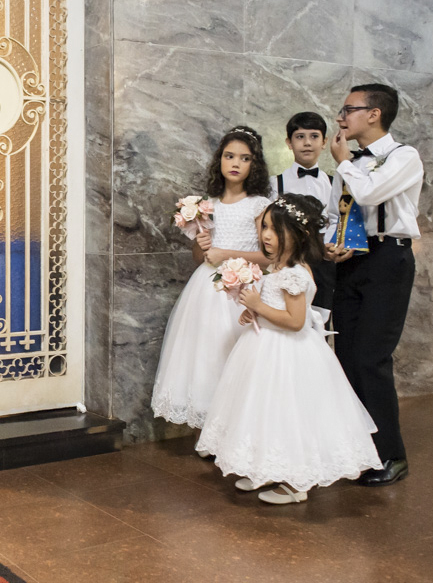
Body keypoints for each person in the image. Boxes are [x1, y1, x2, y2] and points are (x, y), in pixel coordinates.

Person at [198, 195, 381, 504]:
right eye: (265, 227)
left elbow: (295, 321)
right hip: (264, 348)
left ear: (298, 235)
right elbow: (275, 308)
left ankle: (297, 484)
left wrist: (259, 305)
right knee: (263, 412)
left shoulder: (295, 273)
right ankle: (267, 468)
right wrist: (253, 312)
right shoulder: (274, 268)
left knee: (288, 414)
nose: (266, 235)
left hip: (288, 353)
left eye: (276, 230)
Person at [324, 83, 422, 487]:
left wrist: (345, 161)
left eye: (349, 109)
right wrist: (333, 243)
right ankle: (358, 450)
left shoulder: (405, 157)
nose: (341, 117)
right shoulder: (350, 161)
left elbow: (369, 193)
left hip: (389, 260)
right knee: (345, 354)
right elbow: (337, 211)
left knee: (371, 357)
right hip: (353, 261)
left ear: (374, 114)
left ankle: (391, 455)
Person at [152, 127, 273, 430]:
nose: (235, 163)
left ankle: (240, 424)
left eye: (244, 158)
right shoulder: (209, 205)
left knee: (240, 354)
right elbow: (200, 256)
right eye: (230, 156)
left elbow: (270, 256)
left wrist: (225, 253)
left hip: (245, 289)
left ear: (253, 165)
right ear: (219, 160)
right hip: (207, 290)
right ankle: (213, 426)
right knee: (206, 357)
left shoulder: (259, 205)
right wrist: (202, 245)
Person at [270, 112, 336, 312]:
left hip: (323, 262)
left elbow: (336, 220)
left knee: (320, 319)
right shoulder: (275, 183)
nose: (307, 143)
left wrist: (330, 246)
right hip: (287, 262)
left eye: (314, 136)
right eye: (300, 137)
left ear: (324, 142)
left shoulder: (334, 183)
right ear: (289, 143)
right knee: (286, 316)